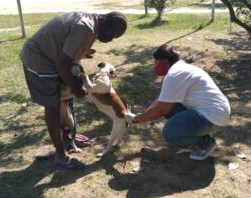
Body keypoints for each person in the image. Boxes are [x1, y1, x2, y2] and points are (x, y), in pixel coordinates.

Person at [20, 11, 127, 170]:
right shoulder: (85, 28)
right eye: (112, 33)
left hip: (54, 59)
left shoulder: (92, 25)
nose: (110, 38)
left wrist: (76, 82)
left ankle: (67, 141)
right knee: (53, 106)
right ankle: (61, 155)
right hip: (40, 60)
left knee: (66, 100)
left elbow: (69, 57)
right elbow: (63, 65)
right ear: (104, 21)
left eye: (115, 37)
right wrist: (77, 89)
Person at [125, 44, 230, 161]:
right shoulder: (180, 69)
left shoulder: (174, 74)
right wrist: (141, 115)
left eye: (155, 62)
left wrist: (137, 119)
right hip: (214, 111)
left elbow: (161, 109)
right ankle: (191, 133)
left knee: (170, 133)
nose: (154, 66)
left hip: (212, 116)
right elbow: (161, 101)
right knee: (170, 107)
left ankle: (206, 143)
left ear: (164, 61)